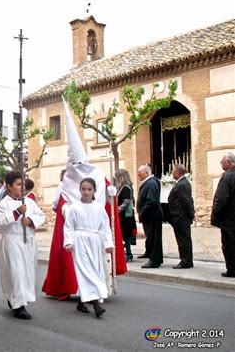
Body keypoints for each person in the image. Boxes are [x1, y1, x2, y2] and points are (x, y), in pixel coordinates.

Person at [42, 99, 127, 299]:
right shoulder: (66, 183)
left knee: (96, 263)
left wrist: (111, 193)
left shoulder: (96, 174)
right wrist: (68, 212)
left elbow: (106, 207)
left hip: (94, 234)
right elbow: (63, 209)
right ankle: (81, 293)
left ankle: (97, 291)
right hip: (78, 235)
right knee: (80, 264)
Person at [0, 170, 45, 320]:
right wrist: (18, 212)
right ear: (9, 186)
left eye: (23, 184)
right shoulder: (3, 203)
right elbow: (2, 222)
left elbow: (41, 216)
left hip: (28, 241)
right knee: (16, 273)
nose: (22, 187)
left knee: (26, 273)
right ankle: (19, 306)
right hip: (13, 241)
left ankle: (17, 299)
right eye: (18, 184)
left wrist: (30, 220)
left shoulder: (29, 201)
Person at [64, 178, 113, 318]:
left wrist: (108, 243)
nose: (86, 192)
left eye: (89, 189)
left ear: (94, 191)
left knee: (94, 271)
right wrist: (69, 242)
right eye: (83, 189)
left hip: (94, 241)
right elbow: (68, 227)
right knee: (85, 271)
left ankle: (81, 301)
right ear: (79, 190)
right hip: (79, 241)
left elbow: (105, 227)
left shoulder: (98, 207)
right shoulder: (74, 207)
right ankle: (97, 305)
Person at [211, 152, 235, 278]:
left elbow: (221, 199)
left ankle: (232, 269)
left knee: (229, 244)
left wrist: (215, 215)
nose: (221, 163)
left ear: (228, 162)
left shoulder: (227, 177)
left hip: (229, 218)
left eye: (222, 161)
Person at [167, 164, 195, 269]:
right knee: (184, 239)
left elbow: (186, 202)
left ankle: (185, 261)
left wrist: (190, 215)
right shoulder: (183, 182)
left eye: (173, 171)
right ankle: (187, 259)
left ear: (178, 173)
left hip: (181, 218)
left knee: (183, 240)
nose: (172, 173)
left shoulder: (182, 184)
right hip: (181, 217)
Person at [136, 165, 163, 268]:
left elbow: (151, 201)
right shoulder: (149, 182)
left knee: (154, 238)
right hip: (150, 216)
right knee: (151, 237)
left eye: (140, 171)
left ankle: (154, 261)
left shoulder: (151, 183)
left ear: (147, 173)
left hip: (152, 216)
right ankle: (153, 258)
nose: (138, 173)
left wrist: (142, 212)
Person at [115, 169, 138, 262]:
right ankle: (127, 253)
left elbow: (127, 201)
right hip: (125, 215)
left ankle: (128, 253)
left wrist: (118, 209)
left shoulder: (126, 188)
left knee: (126, 235)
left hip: (125, 215)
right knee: (125, 235)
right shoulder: (125, 187)